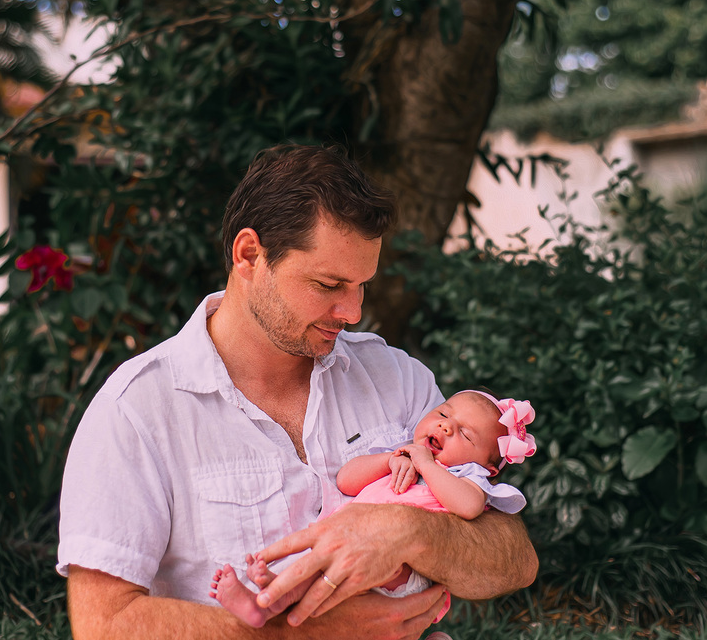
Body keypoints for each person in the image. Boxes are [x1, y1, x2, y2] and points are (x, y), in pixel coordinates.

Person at [59, 145, 539, 640]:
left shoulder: (396, 376)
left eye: (361, 286)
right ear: (250, 256)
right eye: (329, 284)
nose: (352, 311)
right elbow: (103, 624)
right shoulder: (136, 410)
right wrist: (304, 634)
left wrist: (409, 532)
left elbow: (514, 559)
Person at [211, 391, 538, 628]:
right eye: (442, 414)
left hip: (400, 570)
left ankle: (271, 600)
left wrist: (427, 465)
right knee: (318, 573)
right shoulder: (399, 454)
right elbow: (347, 480)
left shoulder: (467, 477)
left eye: (466, 434)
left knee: (349, 576)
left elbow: (468, 507)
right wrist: (388, 460)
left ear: (488, 467)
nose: (446, 428)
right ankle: (265, 604)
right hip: (343, 549)